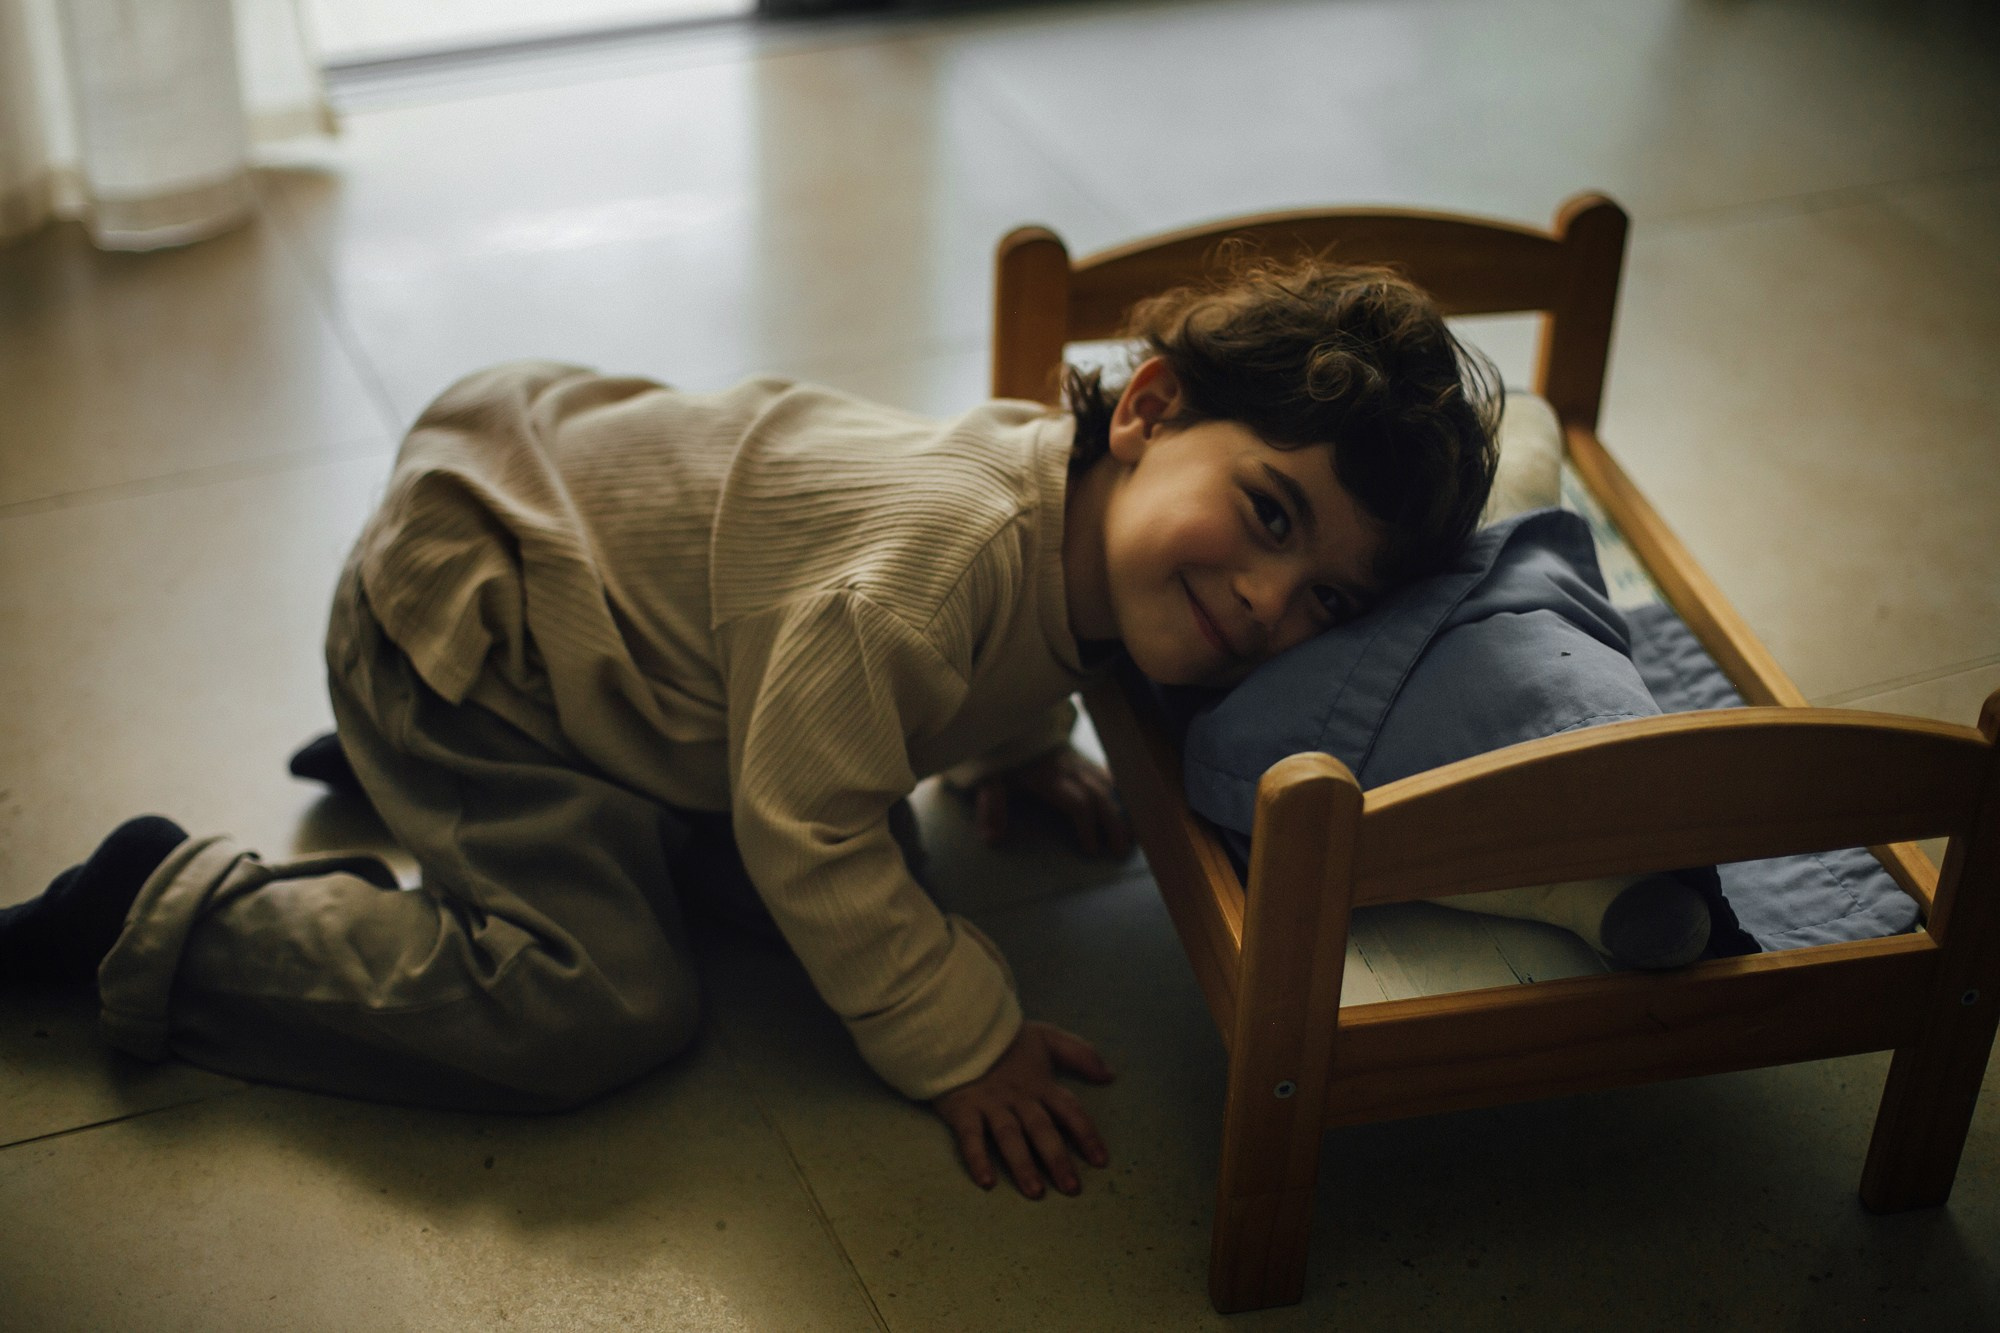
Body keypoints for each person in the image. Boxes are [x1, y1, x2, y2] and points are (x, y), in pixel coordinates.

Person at [0, 257, 1499, 1200]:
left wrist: (1005, 749)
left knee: (831, 853)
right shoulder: (933, 564)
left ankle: (498, 781)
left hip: (609, 587)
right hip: (473, 644)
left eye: (1323, 599)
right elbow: (811, 818)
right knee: (601, 1004)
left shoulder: (1063, 513)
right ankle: (164, 911)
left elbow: (996, 650)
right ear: (1150, 407)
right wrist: (966, 1047)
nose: (1262, 595)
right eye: (1268, 512)